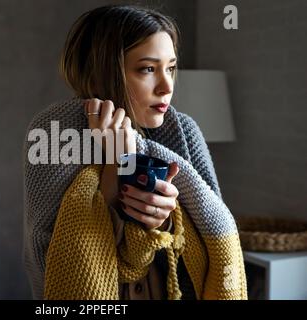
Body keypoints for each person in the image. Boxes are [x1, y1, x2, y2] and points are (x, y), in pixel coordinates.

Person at [23, 4, 247, 300]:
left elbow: (209, 239)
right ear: (102, 70)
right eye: (148, 69)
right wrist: (121, 162)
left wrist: (165, 222)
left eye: (170, 68)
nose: (166, 86)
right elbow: (52, 253)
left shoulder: (184, 132)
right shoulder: (55, 131)